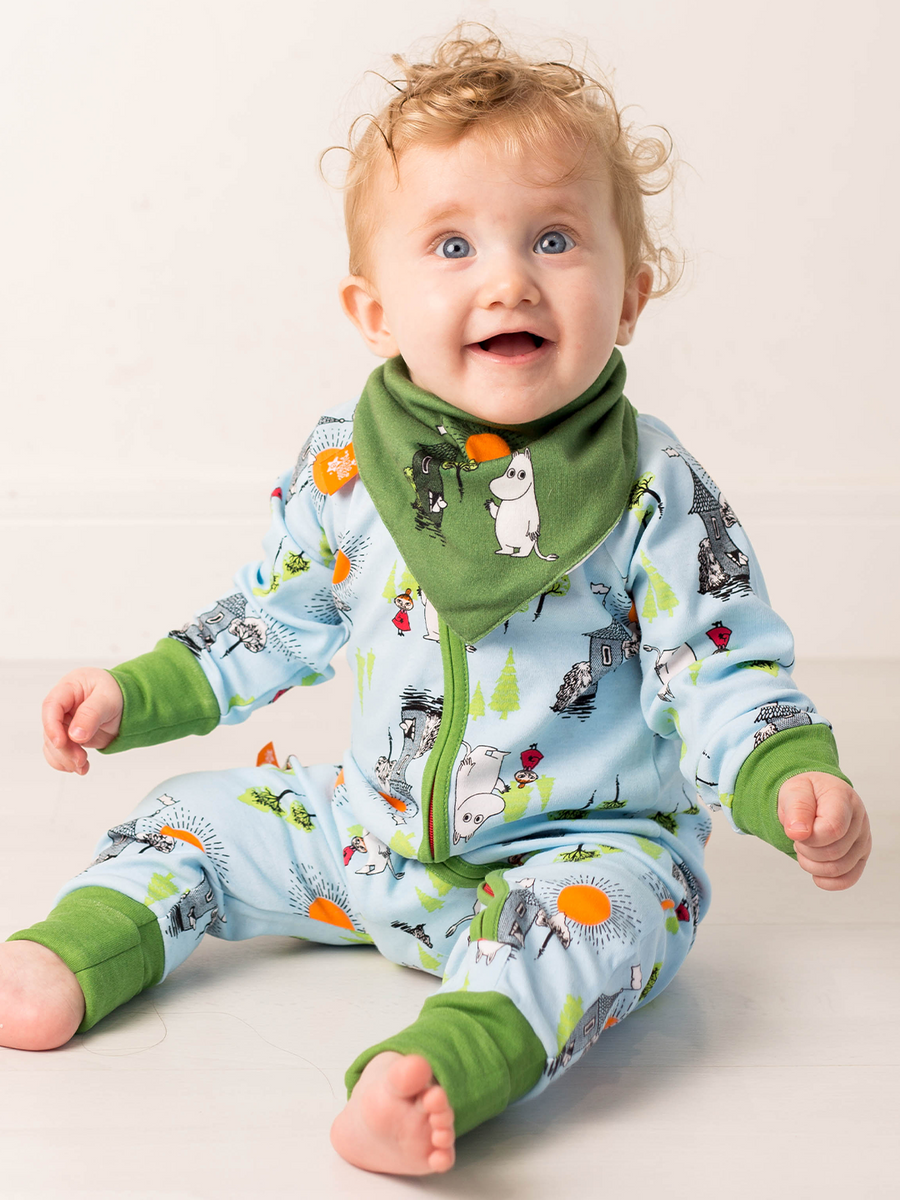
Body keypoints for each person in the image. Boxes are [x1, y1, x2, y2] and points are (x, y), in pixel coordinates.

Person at [4, 28, 870, 1177]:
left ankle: (438, 1070)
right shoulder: (345, 471)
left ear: (632, 296)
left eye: (554, 238)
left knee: (605, 932)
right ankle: (75, 952)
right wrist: (136, 690)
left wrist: (781, 776)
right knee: (195, 818)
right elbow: (273, 618)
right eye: (453, 245)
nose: (507, 278)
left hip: (584, 851)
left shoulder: (651, 488)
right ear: (372, 311)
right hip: (370, 842)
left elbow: (718, 664)